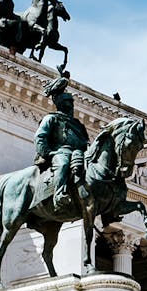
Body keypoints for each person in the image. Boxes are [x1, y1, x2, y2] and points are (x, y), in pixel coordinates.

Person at [34, 76, 89, 214]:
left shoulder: (77, 124)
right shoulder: (51, 118)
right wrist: (47, 152)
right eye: (67, 103)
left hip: (78, 152)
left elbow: (84, 142)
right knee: (63, 164)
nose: (71, 106)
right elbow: (40, 136)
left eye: (71, 103)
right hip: (60, 151)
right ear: (61, 104)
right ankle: (59, 194)